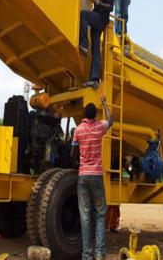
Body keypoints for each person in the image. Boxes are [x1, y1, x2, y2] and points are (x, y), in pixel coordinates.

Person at [71, 96, 113, 260]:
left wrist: (79, 165)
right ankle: (100, 253)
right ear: (95, 115)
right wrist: (104, 103)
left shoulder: (78, 130)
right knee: (101, 214)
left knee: (86, 216)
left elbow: (72, 154)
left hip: (83, 176)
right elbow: (111, 120)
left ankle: (87, 255)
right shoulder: (99, 127)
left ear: (84, 115)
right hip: (96, 176)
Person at [79, 0, 115, 89]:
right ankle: (94, 79)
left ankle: (83, 44)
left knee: (84, 15)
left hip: (101, 18)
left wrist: (100, 3)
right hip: (96, 16)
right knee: (95, 49)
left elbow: (111, 7)